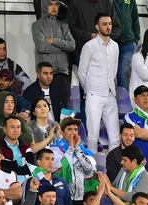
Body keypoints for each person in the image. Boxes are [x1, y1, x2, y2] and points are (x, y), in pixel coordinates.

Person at [78, 13, 119, 154]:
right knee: (93, 137)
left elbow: (114, 70)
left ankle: (114, 169)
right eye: (104, 24)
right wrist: (89, 91)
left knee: (115, 138)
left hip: (110, 94)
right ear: (97, 26)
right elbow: (82, 72)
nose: (108, 27)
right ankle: (92, 171)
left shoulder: (115, 46)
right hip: (94, 94)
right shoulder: (89, 46)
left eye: (110, 24)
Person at [31, 0, 74, 116]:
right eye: (51, 4)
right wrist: (61, 48)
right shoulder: (37, 25)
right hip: (47, 74)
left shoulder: (63, 25)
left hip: (63, 72)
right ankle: (51, 133)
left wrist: (55, 41)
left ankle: (65, 132)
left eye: (56, 4)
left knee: (66, 107)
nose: (54, 7)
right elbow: (41, 46)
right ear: (45, 5)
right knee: (49, 107)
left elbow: (72, 45)